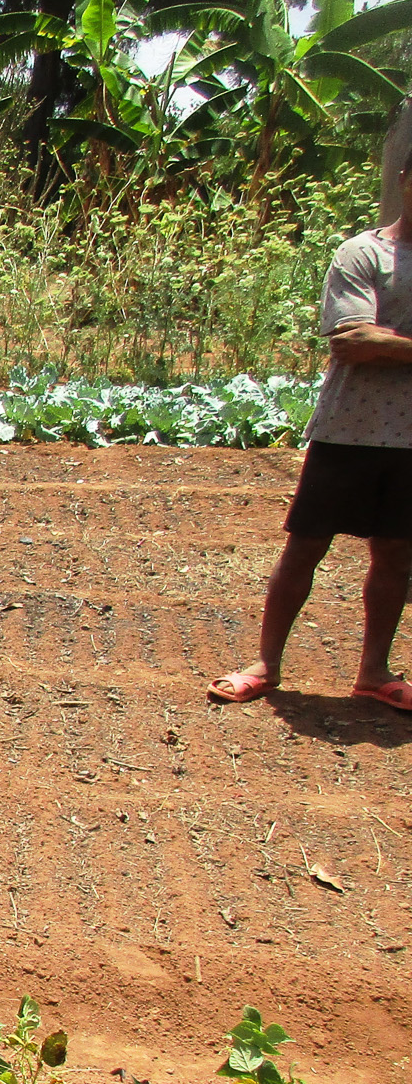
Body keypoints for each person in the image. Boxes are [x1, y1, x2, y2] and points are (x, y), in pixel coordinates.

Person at [210, 148, 412, 709]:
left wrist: (387, 345)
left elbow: (376, 342)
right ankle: (265, 664)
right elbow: (352, 343)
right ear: (404, 179)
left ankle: (374, 673)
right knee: (306, 546)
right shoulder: (363, 253)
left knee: (397, 553)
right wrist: (380, 345)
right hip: (348, 429)